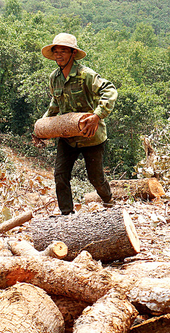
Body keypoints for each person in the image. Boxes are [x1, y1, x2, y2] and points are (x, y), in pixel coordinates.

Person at [32, 33, 118, 215]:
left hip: (91, 135)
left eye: (63, 51)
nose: (59, 55)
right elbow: (55, 104)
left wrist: (97, 115)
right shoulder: (54, 77)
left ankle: (109, 201)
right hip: (68, 136)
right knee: (60, 176)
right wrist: (42, 127)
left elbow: (110, 90)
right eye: (56, 51)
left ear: (72, 53)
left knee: (95, 178)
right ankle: (66, 215)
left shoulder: (86, 75)